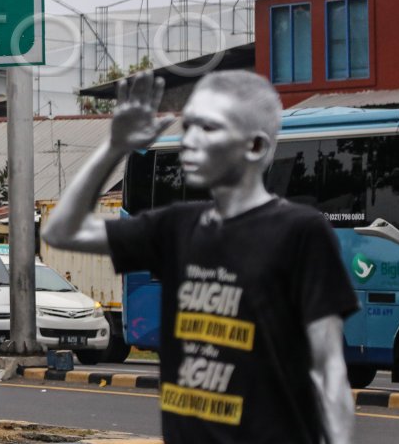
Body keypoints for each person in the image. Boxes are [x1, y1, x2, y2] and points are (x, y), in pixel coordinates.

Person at [42, 70, 357, 444]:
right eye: (187, 127)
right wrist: (114, 147)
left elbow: (328, 369)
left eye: (208, 128)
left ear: (255, 146)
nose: (188, 141)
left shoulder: (300, 231)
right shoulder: (177, 226)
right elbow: (61, 231)